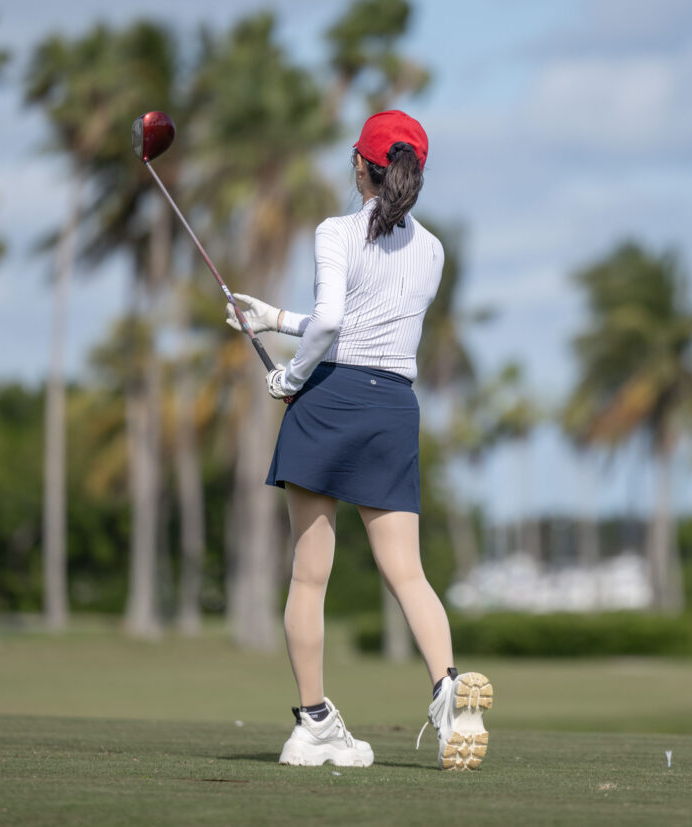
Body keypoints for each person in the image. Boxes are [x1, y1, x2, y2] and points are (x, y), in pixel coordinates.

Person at [224, 110, 493, 771]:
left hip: (330, 398)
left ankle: (313, 722)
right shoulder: (433, 250)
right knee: (407, 571)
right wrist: (274, 317)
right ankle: (448, 690)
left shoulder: (334, 232)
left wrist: (288, 376)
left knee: (309, 573)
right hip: (393, 407)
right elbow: (363, 323)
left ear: (360, 166)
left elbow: (334, 324)